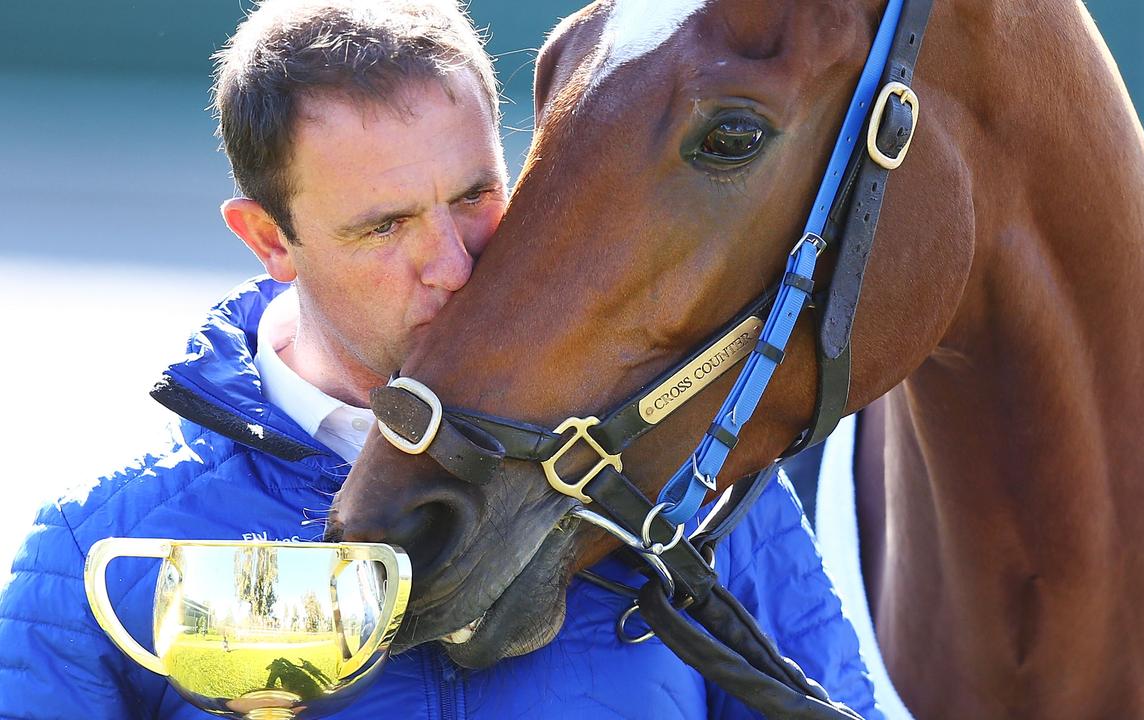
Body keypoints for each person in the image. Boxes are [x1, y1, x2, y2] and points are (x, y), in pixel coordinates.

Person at [0, 1, 882, 718]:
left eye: (474, 197)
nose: (455, 267)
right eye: (384, 226)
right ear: (269, 237)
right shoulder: (105, 550)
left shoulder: (697, 494)